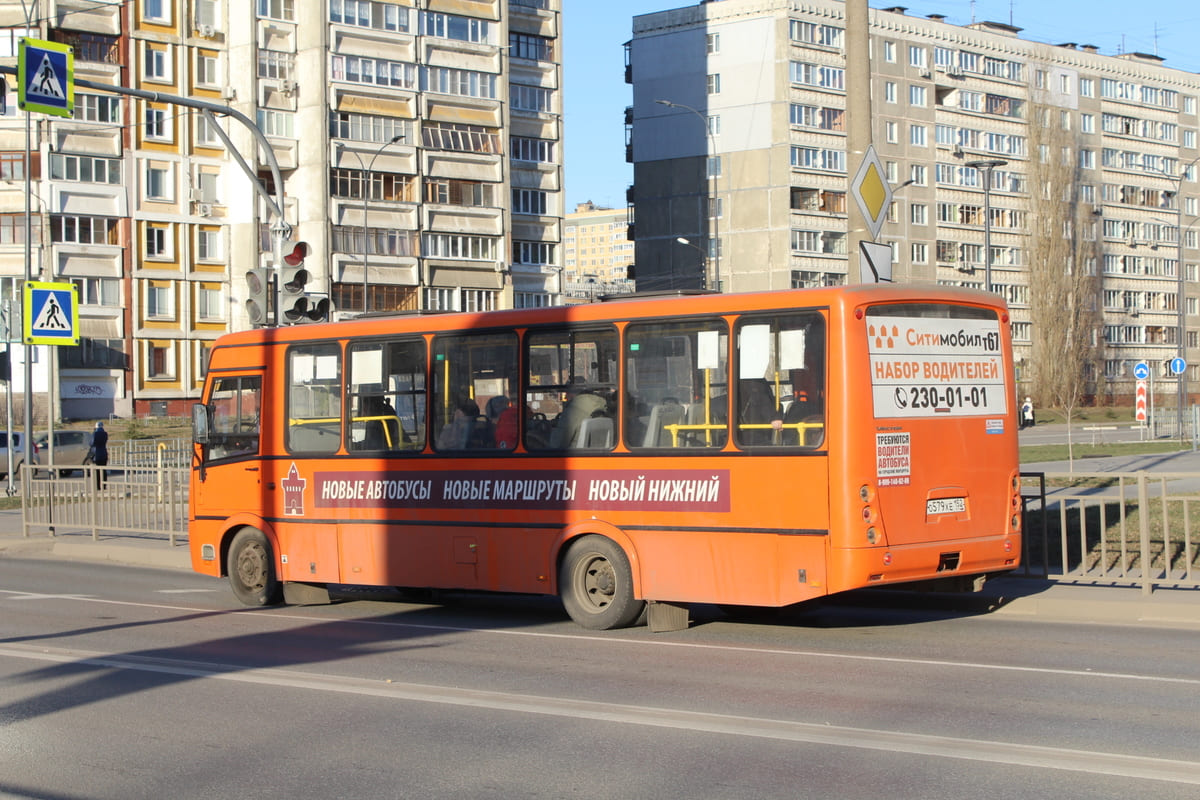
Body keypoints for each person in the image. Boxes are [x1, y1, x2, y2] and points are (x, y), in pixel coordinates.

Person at [89, 421, 109, 489]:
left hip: (96, 454)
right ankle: (104, 485)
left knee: (97, 471)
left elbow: (91, 443)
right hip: (104, 453)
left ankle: (97, 486)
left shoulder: (95, 434)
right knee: (103, 470)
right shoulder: (105, 433)